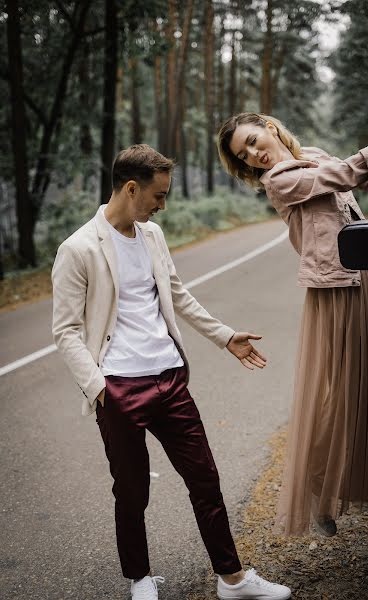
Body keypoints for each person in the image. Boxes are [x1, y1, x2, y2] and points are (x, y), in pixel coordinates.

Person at [51, 144, 292, 600]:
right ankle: (140, 578)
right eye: (158, 195)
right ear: (129, 188)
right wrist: (99, 389)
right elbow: (64, 330)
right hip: (119, 387)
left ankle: (232, 578)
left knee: (205, 478)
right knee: (132, 490)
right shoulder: (78, 248)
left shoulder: (153, 236)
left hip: (170, 378)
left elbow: (178, 295)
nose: (163, 204)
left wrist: (224, 336)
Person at [217, 113, 368, 537]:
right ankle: (318, 489)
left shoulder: (314, 157)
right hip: (335, 289)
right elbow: (350, 170)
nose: (254, 155)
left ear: (268, 126)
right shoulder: (278, 181)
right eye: (245, 156)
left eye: (252, 140)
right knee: (344, 391)